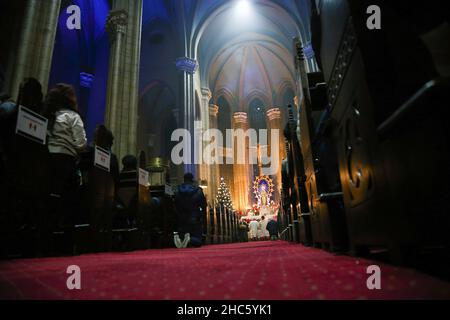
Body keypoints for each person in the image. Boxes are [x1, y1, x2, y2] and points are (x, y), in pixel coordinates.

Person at [44, 84, 87, 254]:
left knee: (49, 201)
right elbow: (81, 143)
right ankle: (66, 244)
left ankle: (46, 240)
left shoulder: (49, 115)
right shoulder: (72, 116)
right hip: (66, 163)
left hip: (47, 163)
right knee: (70, 202)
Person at [174, 173, 207, 248]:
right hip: (194, 221)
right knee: (198, 241)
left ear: (184, 180)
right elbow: (204, 206)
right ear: (192, 180)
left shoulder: (178, 190)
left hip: (181, 221)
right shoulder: (198, 190)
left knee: (182, 233)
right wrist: (204, 226)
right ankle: (189, 240)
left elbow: (175, 205)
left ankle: (182, 239)